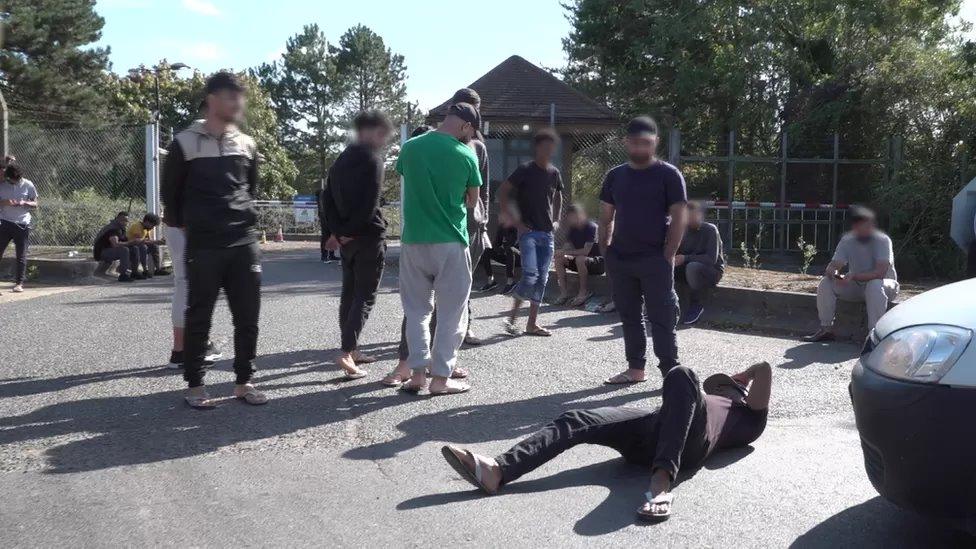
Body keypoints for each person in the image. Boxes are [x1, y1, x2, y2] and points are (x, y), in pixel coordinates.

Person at [440, 362, 771, 522]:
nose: (724, 383)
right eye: (723, 381)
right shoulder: (699, 399)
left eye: (728, 383)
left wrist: (749, 373)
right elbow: (682, 404)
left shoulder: (747, 420)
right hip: (652, 429)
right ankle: (499, 469)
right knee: (577, 419)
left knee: (682, 375)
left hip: (688, 448)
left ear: (741, 392)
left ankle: (661, 483)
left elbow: (766, 370)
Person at [161, 71, 267, 409]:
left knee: (248, 316)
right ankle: (195, 385)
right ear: (212, 100)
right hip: (203, 245)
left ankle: (244, 381)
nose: (238, 103)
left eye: (240, 97)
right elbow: (171, 199)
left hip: (243, 242)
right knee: (199, 314)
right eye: (231, 97)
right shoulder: (184, 143)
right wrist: (196, 228)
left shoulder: (247, 144)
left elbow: (251, 189)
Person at [395, 103, 482, 395]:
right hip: (450, 242)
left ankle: (417, 374)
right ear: (466, 127)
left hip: (414, 240)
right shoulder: (466, 154)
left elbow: (406, 177)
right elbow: (472, 201)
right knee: (451, 314)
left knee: (417, 310)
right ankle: (441, 379)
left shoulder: (411, 147)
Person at [600, 116, 687, 385]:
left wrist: (668, 254)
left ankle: (671, 375)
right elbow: (605, 217)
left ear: (656, 143)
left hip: (655, 259)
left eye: (646, 143)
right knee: (630, 317)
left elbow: (679, 217)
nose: (640, 148)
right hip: (621, 258)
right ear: (626, 142)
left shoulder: (669, 175)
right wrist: (606, 252)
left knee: (662, 318)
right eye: (635, 143)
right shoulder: (615, 176)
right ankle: (635, 370)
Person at [321, 111, 393, 379]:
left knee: (349, 294)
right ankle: (347, 350)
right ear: (370, 131)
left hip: (347, 240)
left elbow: (326, 200)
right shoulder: (373, 160)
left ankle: (353, 348)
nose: (385, 138)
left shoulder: (341, 159)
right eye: (382, 132)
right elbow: (370, 204)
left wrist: (336, 233)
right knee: (365, 296)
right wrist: (350, 231)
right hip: (368, 236)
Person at [499, 128, 564, 337]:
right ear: (537, 148)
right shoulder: (525, 170)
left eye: (551, 146)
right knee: (530, 276)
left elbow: (558, 196)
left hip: (547, 233)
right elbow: (502, 193)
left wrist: (556, 220)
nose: (548, 150)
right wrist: (516, 222)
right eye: (544, 146)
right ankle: (512, 319)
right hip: (528, 233)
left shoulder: (554, 173)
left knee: (542, 279)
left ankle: (532, 324)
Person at [804, 206, 898, 342]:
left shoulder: (882, 240)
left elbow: (880, 273)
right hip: (856, 285)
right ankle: (826, 329)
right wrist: (837, 276)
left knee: (874, 285)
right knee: (826, 283)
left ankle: (874, 335)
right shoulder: (847, 241)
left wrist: (854, 276)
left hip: (884, 286)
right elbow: (832, 267)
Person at [674, 201, 724, 325]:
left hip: (711, 271)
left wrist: (685, 258)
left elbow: (711, 259)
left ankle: (697, 304)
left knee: (692, 267)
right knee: (663, 266)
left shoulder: (710, 230)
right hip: (687, 268)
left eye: (692, 216)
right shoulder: (682, 230)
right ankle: (661, 306)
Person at [553, 203, 604, 307]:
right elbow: (568, 247)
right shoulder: (572, 229)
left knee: (580, 259)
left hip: (598, 263)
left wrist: (566, 252)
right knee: (559, 258)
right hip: (581, 261)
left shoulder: (591, 227)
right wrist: (561, 252)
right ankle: (564, 294)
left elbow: (586, 251)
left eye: (572, 217)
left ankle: (583, 292)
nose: (569, 220)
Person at [0, 163, 38, 294]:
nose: (15, 182)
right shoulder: (2, 185)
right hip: (5, 223)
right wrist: (4, 202)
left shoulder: (28, 184)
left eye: (17, 179)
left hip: (22, 224)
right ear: (8, 177)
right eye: (12, 179)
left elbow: (35, 203)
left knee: (21, 255)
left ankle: (19, 284)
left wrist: (24, 202)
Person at [93, 212, 140, 283]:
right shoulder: (114, 228)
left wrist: (135, 242)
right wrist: (130, 242)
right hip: (101, 252)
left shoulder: (121, 228)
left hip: (109, 250)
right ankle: (123, 275)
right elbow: (115, 244)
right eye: (123, 220)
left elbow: (125, 241)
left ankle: (134, 272)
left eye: (126, 220)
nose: (125, 222)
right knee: (124, 250)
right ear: (117, 219)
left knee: (134, 248)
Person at [477, 224, 519, 294]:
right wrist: (500, 249)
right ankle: (491, 281)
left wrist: (505, 246)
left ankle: (510, 282)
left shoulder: (518, 226)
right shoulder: (502, 227)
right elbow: (496, 244)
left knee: (510, 249)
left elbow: (514, 243)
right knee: (486, 251)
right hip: (505, 254)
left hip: (519, 257)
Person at [125, 213, 167, 279]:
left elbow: (149, 241)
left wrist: (158, 242)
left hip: (139, 245)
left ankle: (158, 269)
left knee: (154, 247)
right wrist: (157, 241)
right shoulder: (137, 226)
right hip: (131, 246)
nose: (153, 227)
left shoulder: (147, 229)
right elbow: (139, 241)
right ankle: (144, 270)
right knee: (143, 247)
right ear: (147, 222)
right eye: (152, 225)